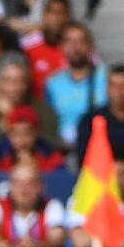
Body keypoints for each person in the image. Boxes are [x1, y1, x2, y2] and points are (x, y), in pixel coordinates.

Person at [0, 52, 58, 148]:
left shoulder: (42, 108)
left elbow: (52, 142)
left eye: (20, 81)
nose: (15, 87)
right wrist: (3, 127)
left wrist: (28, 127)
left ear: (27, 82)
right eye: (8, 81)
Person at [0, 158, 66, 247]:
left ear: (40, 186)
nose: (23, 190)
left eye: (30, 183)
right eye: (17, 183)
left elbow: (57, 239)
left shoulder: (52, 206)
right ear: (10, 186)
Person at [44, 21, 105, 151]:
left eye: (81, 41)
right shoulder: (53, 83)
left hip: (99, 149)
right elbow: (48, 122)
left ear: (90, 46)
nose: (75, 47)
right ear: (61, 46)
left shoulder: (106, 78)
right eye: (69, 42)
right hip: (63, 151)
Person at [20, 0, 71, 97]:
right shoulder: (27, 45)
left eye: (61, 13)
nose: (56, 18)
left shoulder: (76, 46)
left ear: (68, 17)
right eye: (51, 12)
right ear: (43, 16)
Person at [0, 104, 65, 171]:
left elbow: (60, 179)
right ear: (9, 134)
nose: (21, 140)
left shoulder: (49, 155)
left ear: (36, 133)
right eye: (16, 134)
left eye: (27, 134)